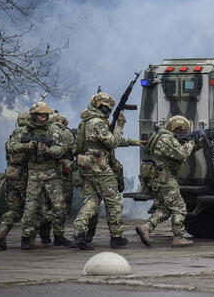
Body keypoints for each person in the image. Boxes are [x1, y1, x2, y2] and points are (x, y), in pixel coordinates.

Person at [72, 92, 141, 250]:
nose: (107, 111)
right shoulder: (98, 122)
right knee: (114, 201)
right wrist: (121, 125)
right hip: (99, 165)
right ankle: (116, 237)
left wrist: (133, 142)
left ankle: (79, 234)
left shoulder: (87, 121)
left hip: (87, 165)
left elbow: (103, 141)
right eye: (106, 108)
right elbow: (112, 142)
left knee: (91, 201)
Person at [7, 102, 71, 250]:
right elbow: (11, 146)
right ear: (34, 115)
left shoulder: (54, 130)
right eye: (41, 115)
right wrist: (26, 146)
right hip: (34, 173)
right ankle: (26, 238)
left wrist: (49, 150)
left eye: (46, 115)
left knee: (60, 207)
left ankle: (59, 236)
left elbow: (62, 148)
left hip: (52, 173)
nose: (44, 118)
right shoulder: (23, 131)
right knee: (31, 208)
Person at [135, 115, 200, 247]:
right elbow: (181, 154)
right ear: (177, 128)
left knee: (165, 208)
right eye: (182, 131)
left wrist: (198, 141)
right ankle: (178, 237)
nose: (184, 133)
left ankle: (146, 227)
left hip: (157, 178)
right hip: (164, 178)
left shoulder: (162, 136)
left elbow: (178, 150)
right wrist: (192, 142)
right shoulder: (166, 138)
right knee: (180, 208)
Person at [0, 112, 30, 250]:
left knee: (14, 209)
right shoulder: (28, 137)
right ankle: (29, 238)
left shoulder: (11, 138)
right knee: (31, 208)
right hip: (25, 176)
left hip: (10, 175)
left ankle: (2, 230)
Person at [38, 112, 76, 244]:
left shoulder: (43, 131)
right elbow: (74, 149)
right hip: (63, 172)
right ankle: (57, 235)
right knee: (62, 205)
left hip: (45, 172)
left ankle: (45, 236)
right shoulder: (64, 132)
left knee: (48, 204)